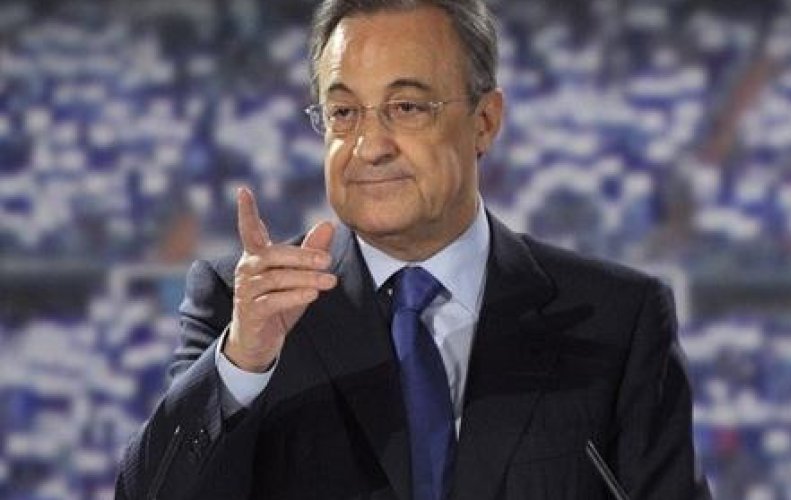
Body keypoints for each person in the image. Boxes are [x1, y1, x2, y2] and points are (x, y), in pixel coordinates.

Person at [116, 0, 712, 498]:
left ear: (484, 121)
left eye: (406, 107)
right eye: (343, 112)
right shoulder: (243, 308)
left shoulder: (620, 318)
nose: (369, 146)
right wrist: (243, 363)